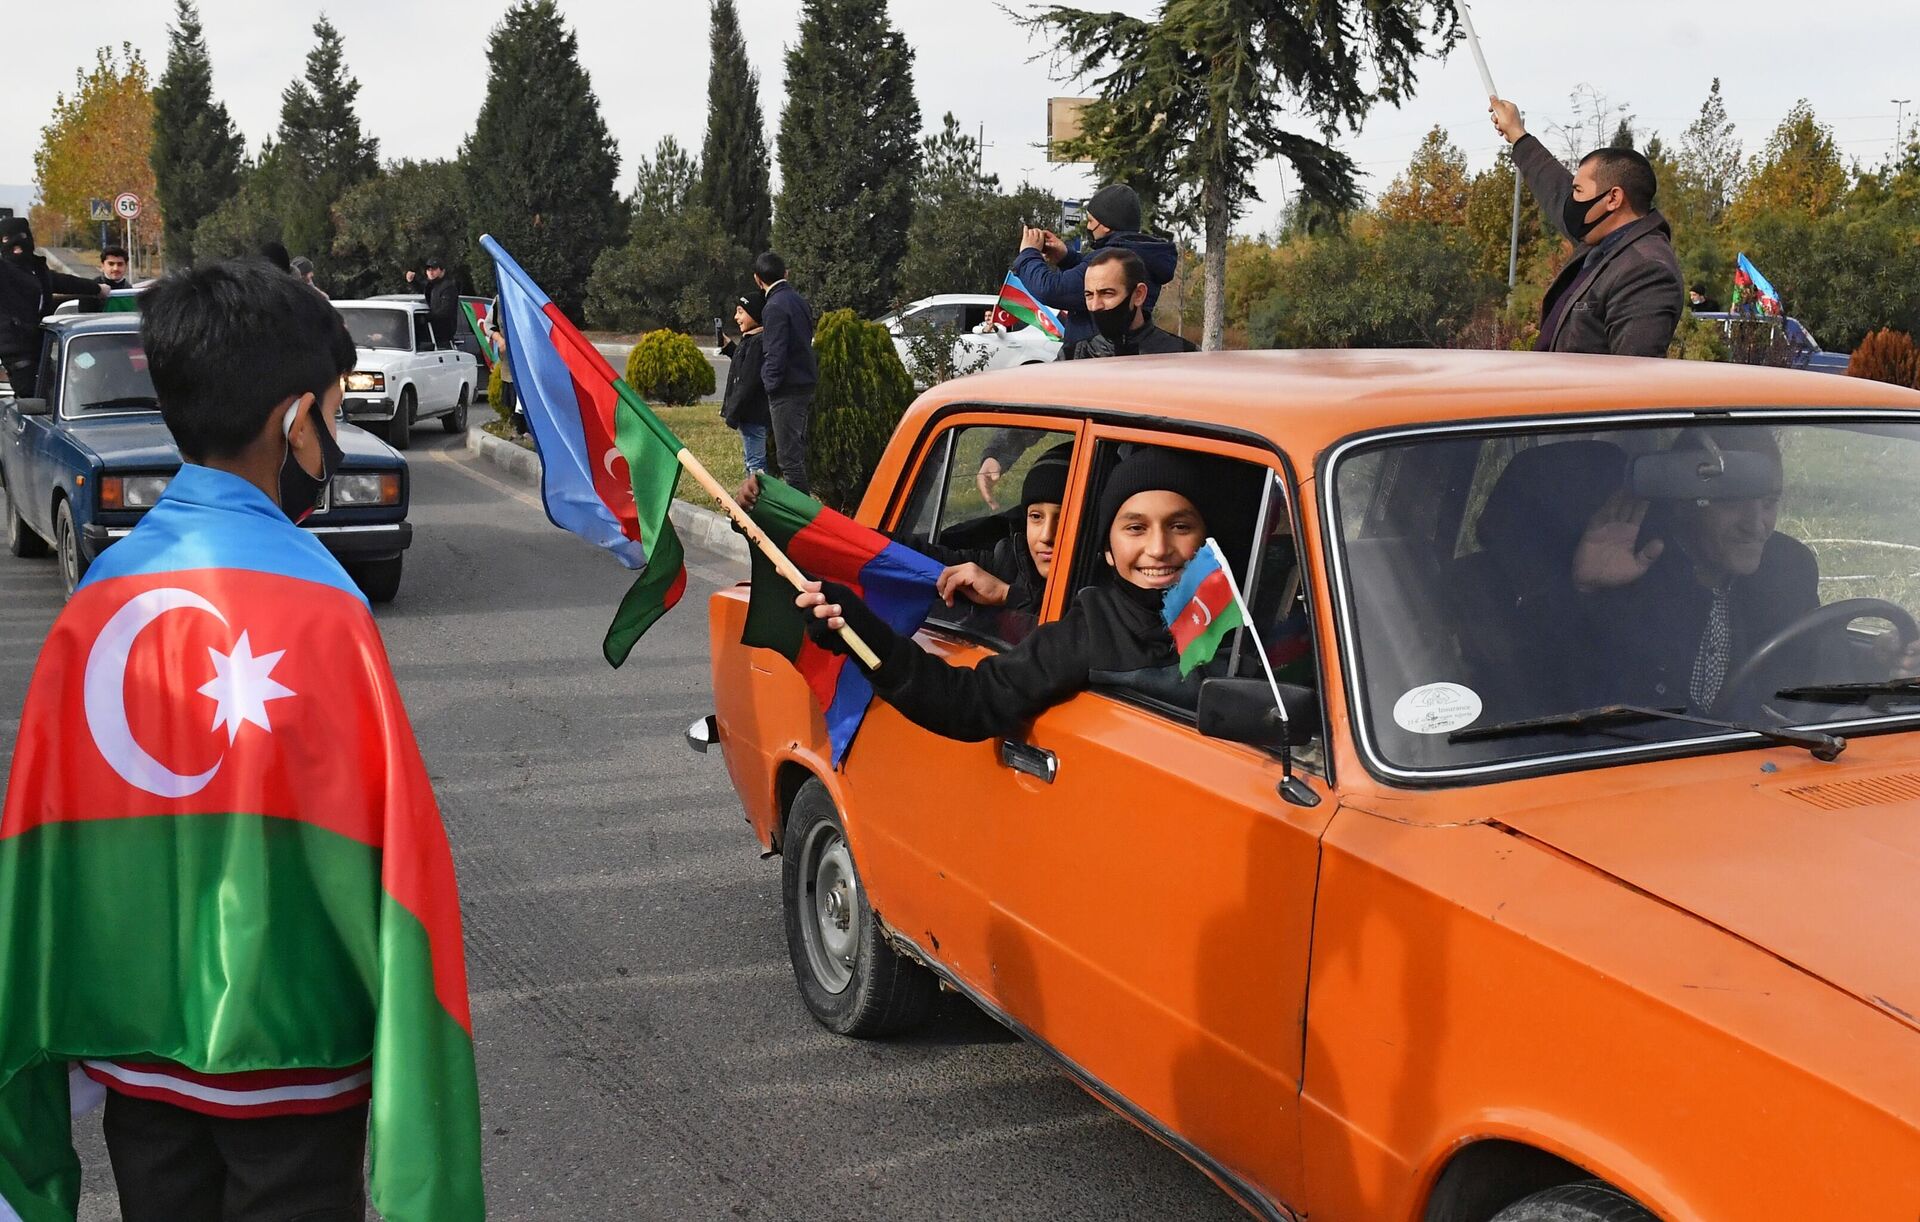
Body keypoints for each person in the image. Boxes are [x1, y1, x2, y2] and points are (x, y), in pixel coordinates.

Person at [0, 258, 480, 1218]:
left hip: (138, 1059)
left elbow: (36, 856)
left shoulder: (94, 605)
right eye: (334, 415)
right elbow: (399, 871)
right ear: (293, 421)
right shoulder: (326, 610)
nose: (334, 437)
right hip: (295, 1062)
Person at [795, 447, 1223, 741]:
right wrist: (861, 629)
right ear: (1106, 550)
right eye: (1135, 527)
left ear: (1208, 541)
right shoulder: (1092, 626)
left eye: (1180, 526)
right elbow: (968, 701)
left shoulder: (1242, 616)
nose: (1159, 548)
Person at [1489, 97, 1684, 358]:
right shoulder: (1603, 242)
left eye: (1578, 191)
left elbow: (1634, 381)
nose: (1571, 202)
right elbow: (1554, 189)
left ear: (1613, 199)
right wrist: (1517, 134)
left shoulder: (1646, 269)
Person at [1012, 184, 1179, 351]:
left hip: (1097, 357)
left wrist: (1028, 254)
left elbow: (1051, 289)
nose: (1089, 227)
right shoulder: (1139, 254)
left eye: (1091, 221)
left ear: (1106, 225)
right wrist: (1066, 258)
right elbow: (1087, 279)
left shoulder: (1115, 257)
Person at [0, 217, 109, 395]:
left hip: (40, 347)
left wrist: (97, 289)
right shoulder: (4, 271)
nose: (15, 245)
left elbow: (65, 282)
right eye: (6, 239)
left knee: (58, 390)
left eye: (21, 237)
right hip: (18, 353)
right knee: (34, 397)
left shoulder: (37, 270)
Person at [1060, 248, 1198, 361]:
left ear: (1138, 294)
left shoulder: (1183, 355)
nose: (1096, 305)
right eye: (1089, 295)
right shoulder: (1072, 356)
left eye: (1107, 293)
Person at [754, 251, 817, 493]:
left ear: (758, 279)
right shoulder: (798, 300)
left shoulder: (774, 307)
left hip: (786, 389)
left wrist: (769, 385)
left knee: (788, 459)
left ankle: (802, 517)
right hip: (804, 382)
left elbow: (775, 353)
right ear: (786, 274)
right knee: (796, 451)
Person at [720, 288, 772, 476]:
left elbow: (747, 380)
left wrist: (732, 414)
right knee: (751, 459)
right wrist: (729, 348)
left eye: (741, 311)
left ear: (755, 314)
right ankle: (751, 497)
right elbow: (743, 363)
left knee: (755, 464)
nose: (736, 317)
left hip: (752, 415)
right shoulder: (751, 340)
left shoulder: (758, 343)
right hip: (749, 415)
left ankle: (759, 500)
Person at [406, 256, 460, 349]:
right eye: (428, 269)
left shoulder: (448, 287)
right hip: (431, 336)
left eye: (434, 269)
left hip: (443, 339)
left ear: (442, 271)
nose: (431, 272)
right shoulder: (431, 285)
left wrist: (426, 318)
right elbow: (422, 290)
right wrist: (412, 282)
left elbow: (445, 311)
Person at [77, 244, 131, 314]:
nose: (116, 268)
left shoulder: (131, 291)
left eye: (120, 264)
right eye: (111, 264)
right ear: (102, 266)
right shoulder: (90, 290)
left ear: (126, 266)